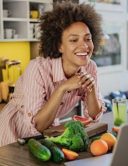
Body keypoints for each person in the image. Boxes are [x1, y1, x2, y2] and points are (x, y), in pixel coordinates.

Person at [0, 1, 106, 147]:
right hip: (13, 134)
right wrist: (62, 88)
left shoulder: (90, 67)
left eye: (88, 38)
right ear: (59, 45)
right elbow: (38, 125)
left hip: (48, 133)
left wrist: (92, 89)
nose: (85, 46)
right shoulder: (37, 68)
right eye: (74, 40)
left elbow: (94, 117)